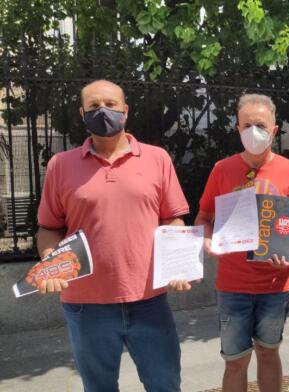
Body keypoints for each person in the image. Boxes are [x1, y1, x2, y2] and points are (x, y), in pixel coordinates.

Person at [36, 79, 191, 391]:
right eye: (94, 106)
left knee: (165, 384)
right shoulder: (60, 165)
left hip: (149, 300)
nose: (103, 111)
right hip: (86, 304)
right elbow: (49, 228)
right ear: (82, 114)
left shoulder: (157, 158)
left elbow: (172, 218)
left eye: (110, 105)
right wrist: (51, 262)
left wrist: (180, 265)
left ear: (126, 111)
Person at [195, 94, 289, 392]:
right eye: (246, 124)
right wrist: (207, 240)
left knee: (269, 353)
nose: (253, 131)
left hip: (276, 283)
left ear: (274, 129)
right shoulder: (222, 169)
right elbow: (204, 216)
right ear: (237, 128)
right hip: (233, 285)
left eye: (260, 124)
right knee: (235, 361)